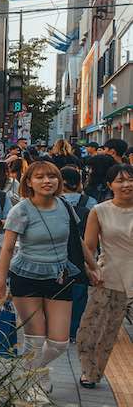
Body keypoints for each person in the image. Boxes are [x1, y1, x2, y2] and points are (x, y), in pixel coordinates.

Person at [0, 161, 100, 394]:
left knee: (59, 343)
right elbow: (8, 249)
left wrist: (92, 267)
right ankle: (35, 387)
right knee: (35, 338)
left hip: (59, 276)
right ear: (29, 182)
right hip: (26, 277)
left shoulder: (64, 206)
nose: (47, 181)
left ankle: (33, 370)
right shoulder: (20, 210)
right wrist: (1, 282)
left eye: (52, 176)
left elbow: (77, 242)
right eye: (40, 177)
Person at [77, 164, 133, 387]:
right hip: (110, 276)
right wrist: (90, 270)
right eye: (120, 181)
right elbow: (89, 246)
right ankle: (90, 372)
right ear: (110, 185)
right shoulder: (99, 211)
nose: (127, 184)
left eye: (130, 179)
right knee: (95, 330)